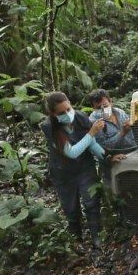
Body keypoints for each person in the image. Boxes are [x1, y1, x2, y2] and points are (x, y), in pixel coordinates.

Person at [41, 92, 106, 247]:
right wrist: (92, 133)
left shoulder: (81, 117)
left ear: (71, 103)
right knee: (71, 208)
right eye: (61, 113)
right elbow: (71, 152)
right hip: (63, 171)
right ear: (52, 114)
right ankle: (76, 240)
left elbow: (92, 144)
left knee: (92, 202)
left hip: (85, 166)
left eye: (68, 109)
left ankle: (97, 237)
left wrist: (106, 158)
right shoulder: (49, 127)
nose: (67, 114)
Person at [87, 89, 135, 156]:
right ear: (93, 108)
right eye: (98, 108)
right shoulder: (93, 123)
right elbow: (103, 148)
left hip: (135, 152)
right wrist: (122, 133)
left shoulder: (120, 112)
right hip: (116, 160)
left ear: (110, 102)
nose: (103, 109)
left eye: (105, 106)